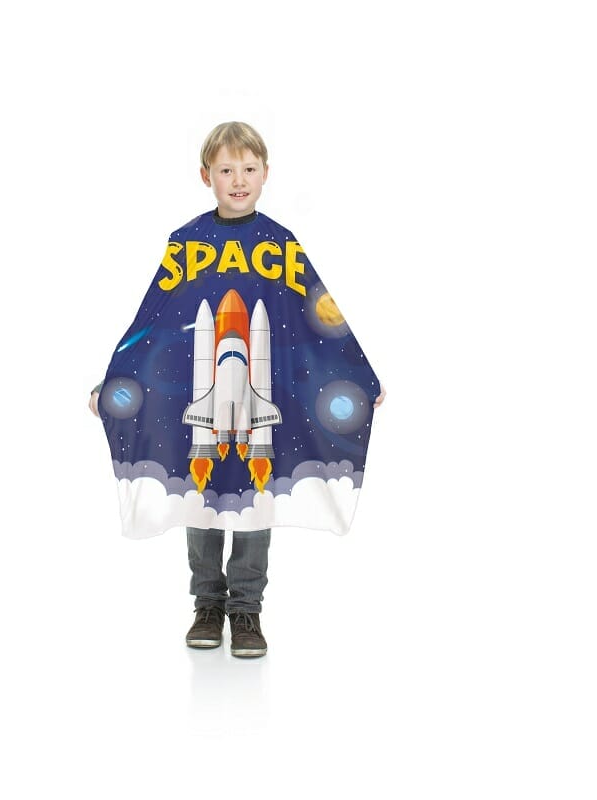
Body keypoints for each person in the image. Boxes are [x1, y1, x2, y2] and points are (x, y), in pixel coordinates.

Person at [89, 122, 385, 658]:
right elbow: (150, 318)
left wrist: (360, 375)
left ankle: (247, 609)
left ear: (266, 173)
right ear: (207, 176)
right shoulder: (186, 243)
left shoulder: (280, 244)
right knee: (201, 500)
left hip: (260, 407)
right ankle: (207, 604)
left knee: (254, 502)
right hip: (199, 399)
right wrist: (113, 381)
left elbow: (320, 310)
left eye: (249, 169)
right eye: (227, 170)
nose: (239, 180)